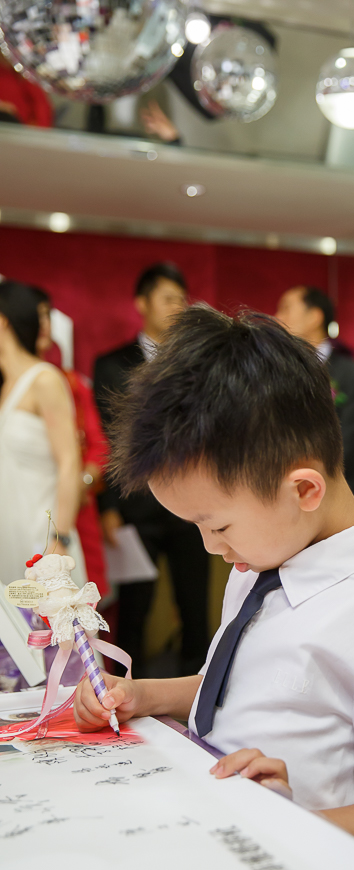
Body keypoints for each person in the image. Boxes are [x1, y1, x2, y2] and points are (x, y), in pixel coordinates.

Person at [73, 306, 354, 870]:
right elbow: (251, 682)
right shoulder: (264, 561)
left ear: (304, 489)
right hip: (220, 836)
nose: (211, 548)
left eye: (216, 526)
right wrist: (150, 696)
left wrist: (290, 824)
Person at [93, 263, 209, 676]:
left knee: (195, 602)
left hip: (192, 507)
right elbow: (104, 441)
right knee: (134, 610)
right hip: (135, 506)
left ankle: (199, 695)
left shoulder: (196, 364)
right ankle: (126, 690)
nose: (176, 307)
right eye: (167, 298)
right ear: (142, 304)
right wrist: (108, 507)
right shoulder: (110, 365)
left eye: (181, 298)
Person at [0, 280, 84, 585]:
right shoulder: (4, 385)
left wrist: (60, 538)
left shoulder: (45, 380)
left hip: (41, 539)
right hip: (6, 536)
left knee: (43, 629)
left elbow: (69, 462)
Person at [32, 287, 110, 598]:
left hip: (74, 510)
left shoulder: (71, 383)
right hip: (26, 506)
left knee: (75, 605)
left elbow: (99, 447)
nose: (43, 324)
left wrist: (82, 482)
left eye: (46, 316)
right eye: (35, 316)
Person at [276, 286, 354, 500]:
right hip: (286, 494)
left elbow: (349, 439)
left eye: (286, 308)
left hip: (340, 493)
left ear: (314, 317)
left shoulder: (353, 373)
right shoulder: (278, 372)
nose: (277, 317)